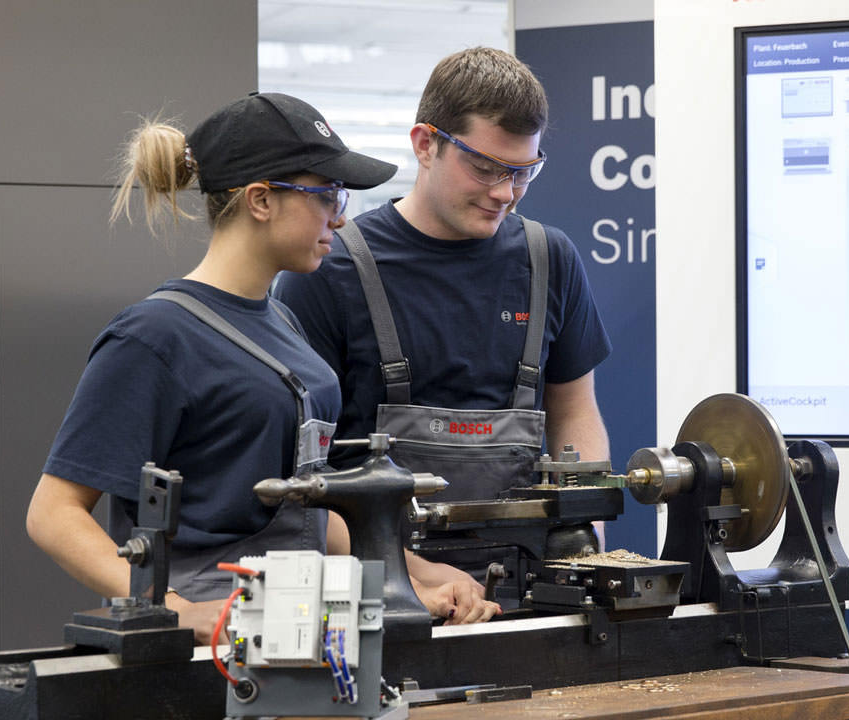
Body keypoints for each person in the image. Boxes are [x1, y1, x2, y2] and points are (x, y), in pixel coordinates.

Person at [26, 92, 499, 644]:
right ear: (261, 200)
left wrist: (412, 576)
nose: (340, 216)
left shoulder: (284, 325)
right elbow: (54, 514)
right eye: (326, 195)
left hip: (297, 629)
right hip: (209, 649)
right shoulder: (154, 337)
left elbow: (309, 513)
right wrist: (175, 611)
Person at [274, 49, 613, 582]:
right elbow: (299, 472)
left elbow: (575, 411)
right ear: (425, 144)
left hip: (529, 584)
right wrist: (415, 579)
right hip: (380, 587)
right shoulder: (330, 270)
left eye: (524, 172)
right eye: (485, 168)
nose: (505, 193)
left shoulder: (550, 261)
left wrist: (586, 535)